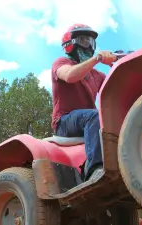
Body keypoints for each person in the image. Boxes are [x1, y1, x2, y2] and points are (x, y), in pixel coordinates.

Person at [50, 24, 116, 182]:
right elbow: (70, 76)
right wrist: (97, 59)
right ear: (70, 44)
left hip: (88, 121)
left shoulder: (97, 74)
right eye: (82, 39)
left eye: (89, 40)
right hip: (64, 122)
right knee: (94, 116)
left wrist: (122, 62)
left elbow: (116, 87)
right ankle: (95, 171)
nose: (87, 44)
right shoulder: (61, 62)